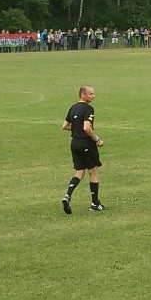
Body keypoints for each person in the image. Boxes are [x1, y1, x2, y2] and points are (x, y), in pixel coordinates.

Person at [61, 85, 107, 213]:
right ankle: (95, 203)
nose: (93, 96)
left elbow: (64, 126)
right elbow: (87, 127)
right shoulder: (88, 109)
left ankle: (67, 195)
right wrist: (97, 139)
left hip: (74, 143)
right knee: (93, 171)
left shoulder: (73, 107)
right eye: (91, 94)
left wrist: (76, 129)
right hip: (86, 144)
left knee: (79, 173)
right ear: (83, 95)